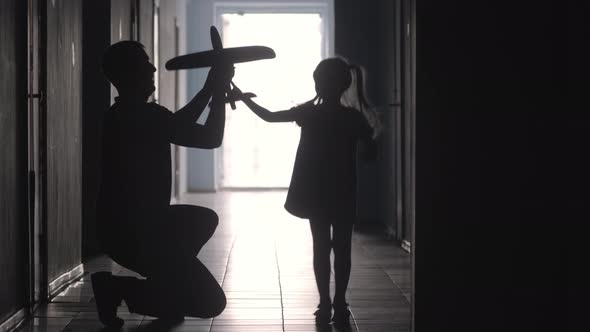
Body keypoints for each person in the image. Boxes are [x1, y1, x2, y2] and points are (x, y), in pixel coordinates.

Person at [93, 40, 234, 327]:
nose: (153, 68)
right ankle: (118, 288)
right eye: (145, 64)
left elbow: (178, 124)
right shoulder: (143, 117)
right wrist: (217, 91)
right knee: (212, 302)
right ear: (130, 73)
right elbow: (209, 138)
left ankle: (165, 284)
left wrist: (210, 87)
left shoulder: (124, 114)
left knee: (203, 219)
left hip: (124, 229)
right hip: (135, 235)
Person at [233, 57, 378, 327]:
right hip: (344, 190)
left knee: (321, 246)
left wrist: (243, 98)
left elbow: (269, 116)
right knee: (342, 247)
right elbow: (371, 151)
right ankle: (339, 302)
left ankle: (325, 302)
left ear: (319, 83)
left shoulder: (309, 113)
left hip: (317, 191)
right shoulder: (352, 118)